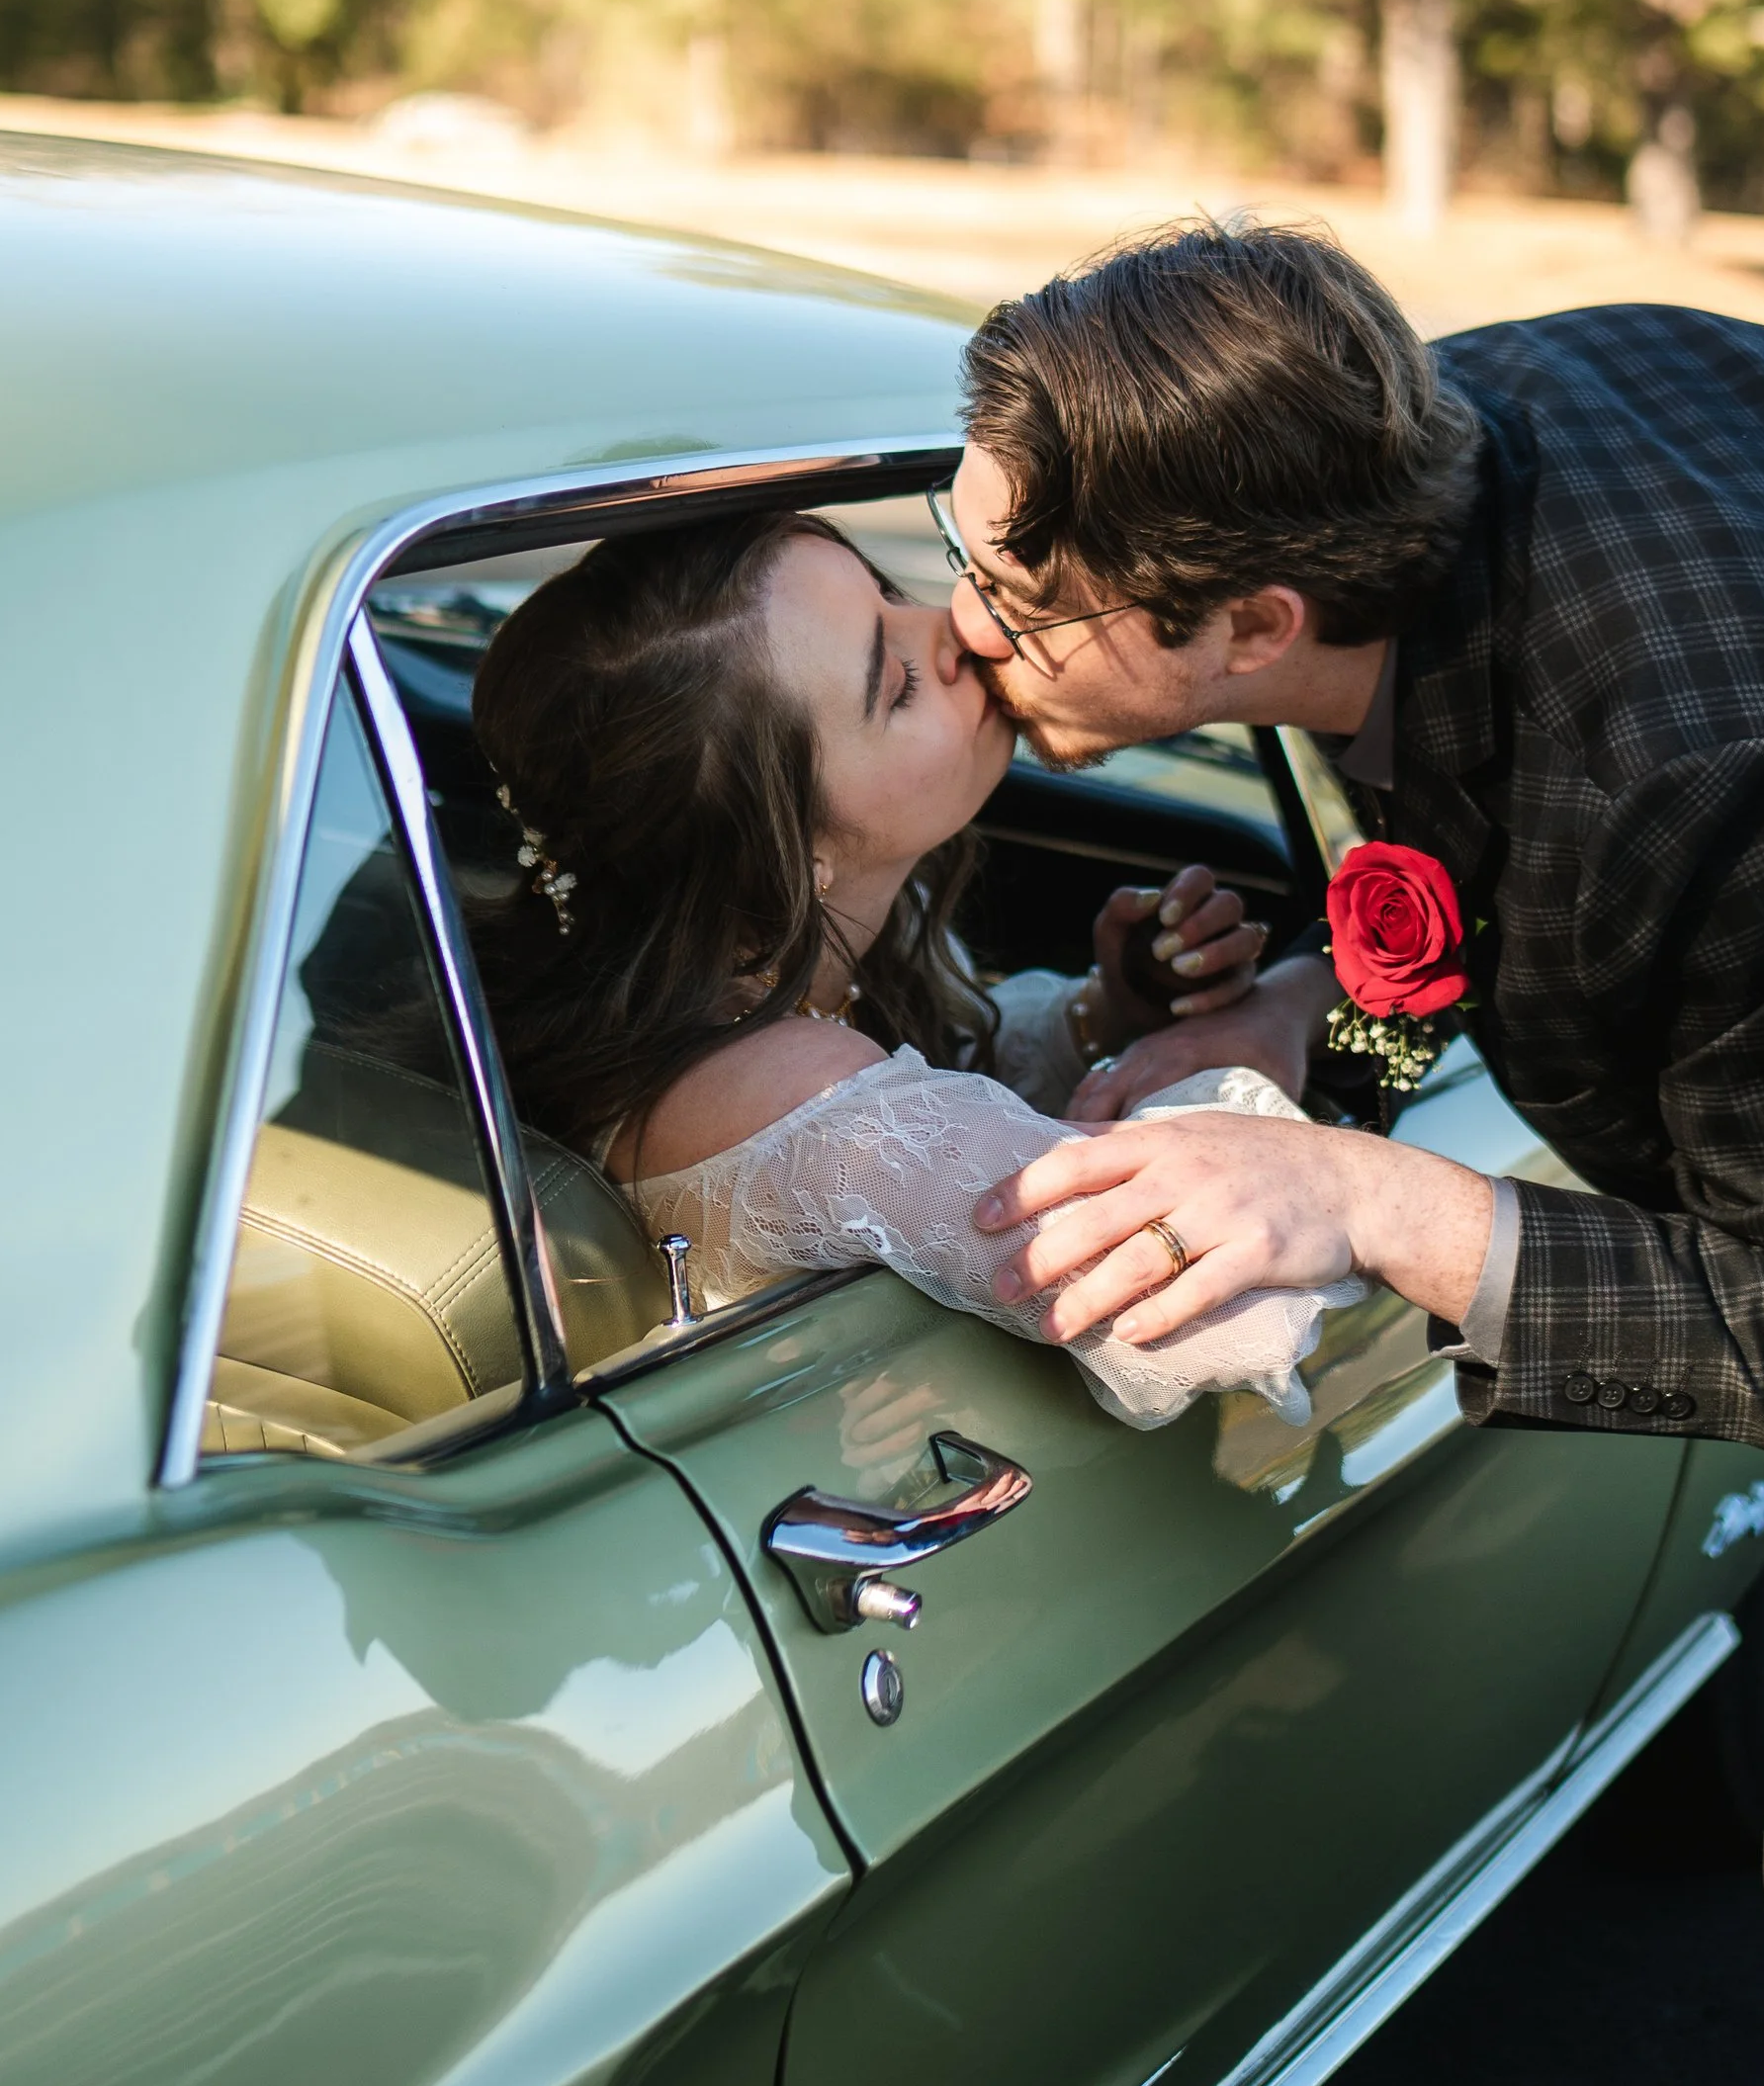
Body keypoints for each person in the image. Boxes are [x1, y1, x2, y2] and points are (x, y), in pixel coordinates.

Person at [941, 217, 1764, 2086]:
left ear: (1248, 622)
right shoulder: (1432, 439)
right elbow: (1476, 829)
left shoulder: (1705, 762)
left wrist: (1367, 1205)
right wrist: (1305, 1015)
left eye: (1018, 601)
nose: (962, 629)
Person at [468, 509, 1360, 1430]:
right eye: (895, 686)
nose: (958, 626)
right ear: (785, 857)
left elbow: (945, 1104)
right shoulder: (808, 1101)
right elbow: (1233, 1327)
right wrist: (1240, 1051)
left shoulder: (727, 1002)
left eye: (890, 592)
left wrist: (1108, 1017)